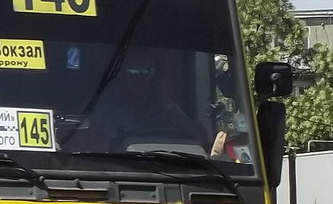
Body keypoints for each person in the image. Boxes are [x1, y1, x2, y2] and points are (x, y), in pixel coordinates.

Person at [82, 50, 227, 158]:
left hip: (163, 172)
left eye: (146, 71)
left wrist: (168, 109)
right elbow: (87, 145)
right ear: (121, 77)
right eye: (133, 71)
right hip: (118, 171)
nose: (140, 78)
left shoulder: (168, 109)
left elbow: (201, 138)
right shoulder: (105, 108)